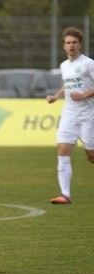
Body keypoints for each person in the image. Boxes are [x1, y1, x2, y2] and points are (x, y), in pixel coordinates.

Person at [46, 27, 94, 205]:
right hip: (69, 115)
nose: (71, 45)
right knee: (63, 151)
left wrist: (83, 95)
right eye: (68, 43)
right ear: (64, 46)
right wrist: (56, 96)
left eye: (74, 42)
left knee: (91, 157)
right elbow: (67, 85)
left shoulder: (89, 63)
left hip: (88, 116)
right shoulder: (64, 66)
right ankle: (65, 195)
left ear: (80, 44)